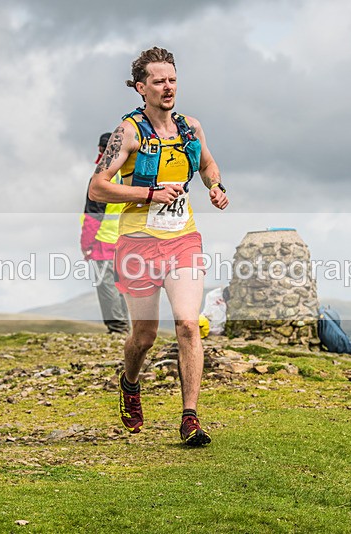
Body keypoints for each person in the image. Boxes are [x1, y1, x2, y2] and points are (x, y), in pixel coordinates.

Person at [88, 46, 229, 446]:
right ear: (141, 87)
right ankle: (130, 382)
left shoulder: (190, 128)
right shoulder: (128, 133)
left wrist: (215, 187)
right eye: (158, 81)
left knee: (187, 323)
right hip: (137, 244)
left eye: (172, 80)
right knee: (145, 335)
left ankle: (190, 418)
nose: (167, 87)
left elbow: (207, 165)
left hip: (183, 239)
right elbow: (97, 187)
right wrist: (149, 194)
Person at [81, 133, 130, 335]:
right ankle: (125, 326)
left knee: (107, 285)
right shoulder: (129, 174)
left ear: (102, 150)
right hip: (128, 240)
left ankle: (118, 328)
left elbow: (93, 216)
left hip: (104, 240)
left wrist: (86, 244)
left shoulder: (101, 178)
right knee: (123, 285)